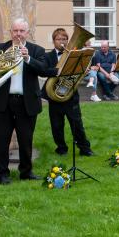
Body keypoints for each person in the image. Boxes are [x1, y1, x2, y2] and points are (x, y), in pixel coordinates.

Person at [0, 18, 47, 184]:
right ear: (11, 32)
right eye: (15, 31)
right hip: (4, 101)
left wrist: (28, 59)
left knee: (26, 139)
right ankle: (2, 174)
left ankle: (26, 172)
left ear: (27, 33)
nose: (18, 34)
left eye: (22, 31)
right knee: (2, 140)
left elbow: (43, 70)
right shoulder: (0, 49)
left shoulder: (36, 50)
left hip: (26, 102)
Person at [42, 28, 94, 156]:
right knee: (57, 125)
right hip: (54, 95)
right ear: (54, 41)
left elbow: (80, 69)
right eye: (59, 39)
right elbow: (43, 70)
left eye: (65, 39)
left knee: (77, 123)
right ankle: (61, 148)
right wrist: (56, 71)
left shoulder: (74, 54)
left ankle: (84, 148)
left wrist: (84, 71)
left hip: (70, 94)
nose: (62, 42)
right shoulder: (47, 56)